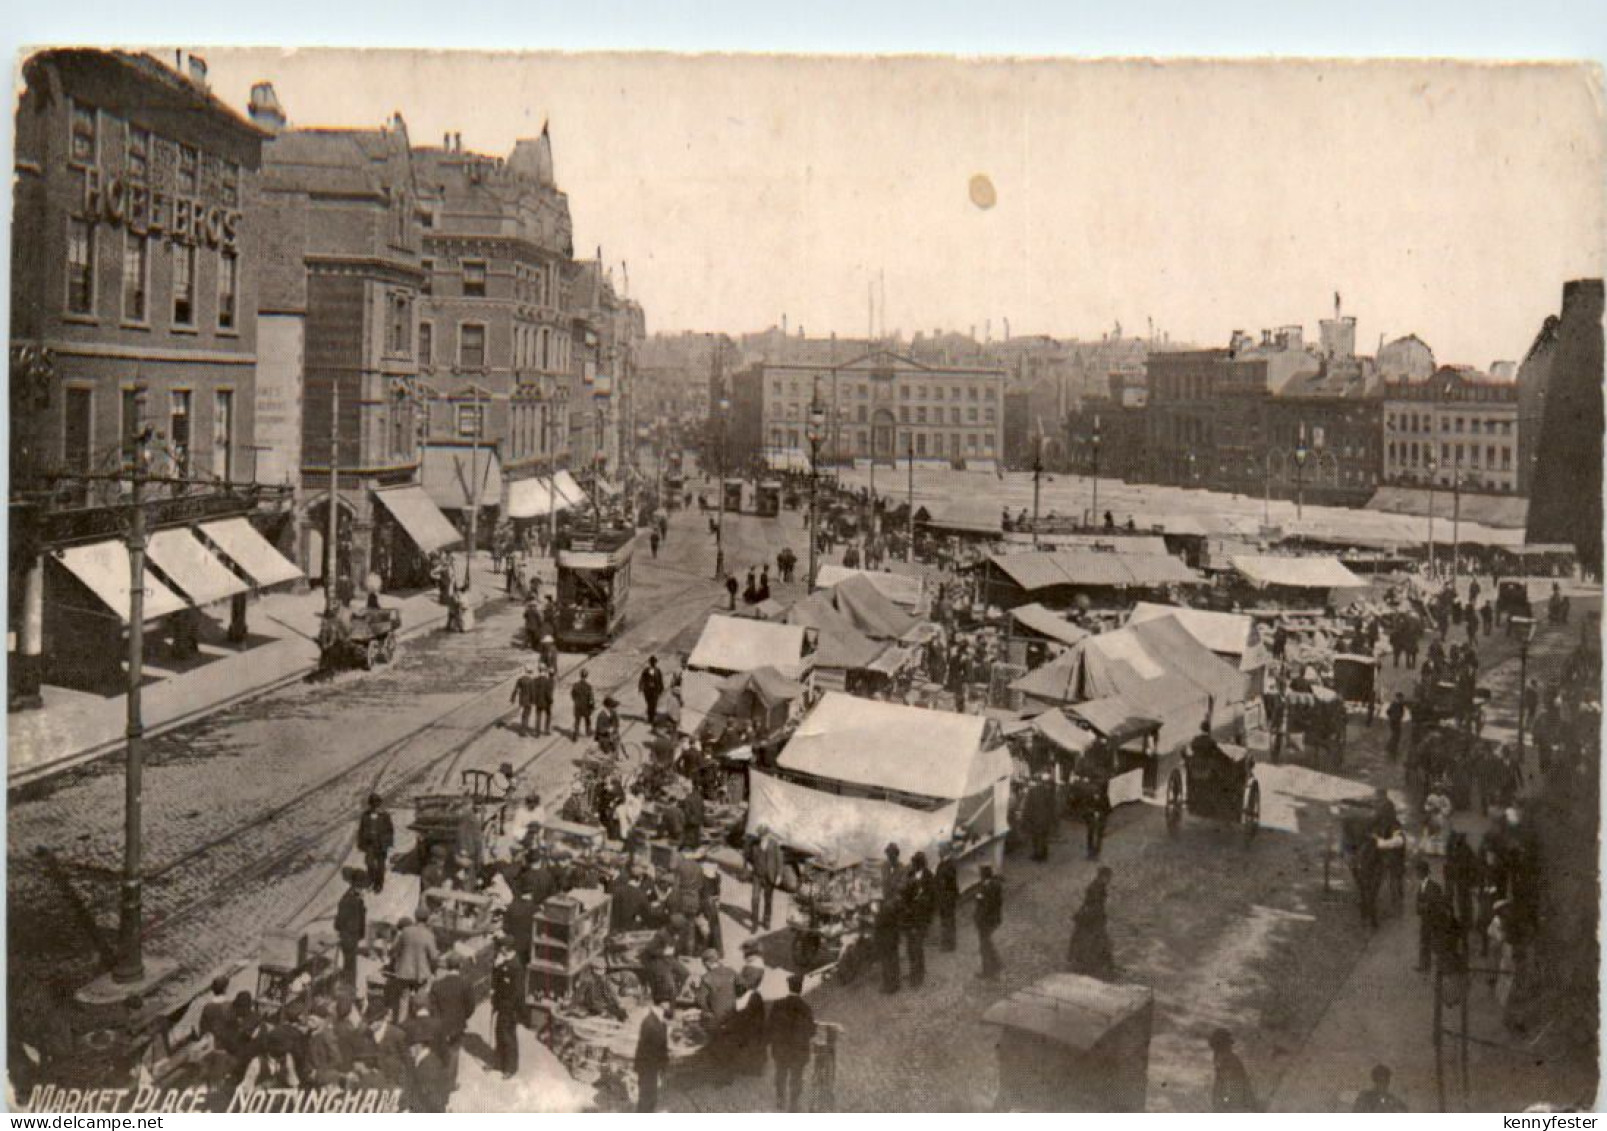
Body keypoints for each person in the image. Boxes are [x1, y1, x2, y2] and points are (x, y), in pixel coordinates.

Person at [766, 972, 815, 1111]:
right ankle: (794, 1104)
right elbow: (811, 1030)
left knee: (780, 1073)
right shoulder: (805, 1008)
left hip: (781, 1048)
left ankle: (780, 1100)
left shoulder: (778, 1005)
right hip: (798, 1050)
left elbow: (770, 1026)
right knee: (796, 1077)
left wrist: (772, 1041)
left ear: (788, 987)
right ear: (800, 988)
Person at [429, 952, 475, 1087]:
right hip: (457, 1025)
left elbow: (433, 1007)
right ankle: (450, 1083)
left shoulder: (437, 985)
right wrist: (463, 1017)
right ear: (460, 966)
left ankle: (438, 1080)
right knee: (454, 1052)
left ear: (447, 966)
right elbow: (470, 1006)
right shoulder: (465, 984)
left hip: (440, 1025)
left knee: (439, 1051)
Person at [489, 935, 526, 1079]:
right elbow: (497, 982)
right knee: (499, 1033)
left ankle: (510, 1067)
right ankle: (499, 1062)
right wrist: (497, 967)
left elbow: (517, 992)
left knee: (508, 1036)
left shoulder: (515, 966)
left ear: (505, 949)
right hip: (502, 1004)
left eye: (501, 948)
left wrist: (511, 1009)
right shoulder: (504, 962)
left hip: (510, 1008)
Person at [1415, 859, 1456, 974]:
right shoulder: (1422, 885)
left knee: (1434, 943)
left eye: (1418, 871)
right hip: (1426, 919)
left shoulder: (1433, 886)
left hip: (1433, 920)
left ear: (1423, 872)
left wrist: (1424, 906)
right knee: (1424, 942)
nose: (1416, 874)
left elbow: (1434, 904)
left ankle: (1438, 967)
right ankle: (1424, 965)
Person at [900, 851, 935, 988]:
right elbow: (905, 895)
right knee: (910, 947)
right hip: (910, 917)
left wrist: (926, 917)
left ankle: (917, 977)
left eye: (915, 862)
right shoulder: (911, 875)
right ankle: (914, 971)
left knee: (917, 947)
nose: (912, 865)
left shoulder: (928, 877)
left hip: (921, 918)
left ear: (920, 864)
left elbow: (932, 899)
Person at [1209, 1028, 1258, 1112]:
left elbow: (1234, 1090)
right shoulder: (1221, 1058)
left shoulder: (1229, 1061)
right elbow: (1220, 1083)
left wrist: (1224, 1101)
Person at [730, 967, 768, 1077]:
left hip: (750, 1030)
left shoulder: (753, 996)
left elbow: (746, 1014)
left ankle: (748, 1068)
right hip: (751, 1029)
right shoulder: (754, 995)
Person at [634, 1000, 670, 1112]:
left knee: (651, 1099)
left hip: (652, 1068)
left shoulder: (659, 1022)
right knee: (647, 1100)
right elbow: (646, 1049)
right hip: (648, 1068)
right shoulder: (650, 1023)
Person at [356, 794, 395, 894]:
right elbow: (361, 830)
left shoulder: (385, 816)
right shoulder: (365, 816)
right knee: (369, 863)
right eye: (372, 803)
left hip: (381, 844)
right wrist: (361, 843)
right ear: (370, 804)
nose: (374, 805)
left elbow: (390, 830)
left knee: (380, 865)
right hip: (370, 844)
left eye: (376, 803)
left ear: (379, 803)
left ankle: (379, 883)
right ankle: (371, 880)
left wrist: (387, 843)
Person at [745, 827, 783, 931]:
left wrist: (779, 875)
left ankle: (766, 921)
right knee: (755, 899)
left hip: (769, 876)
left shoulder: (774, 844)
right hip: (757, 875)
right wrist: (748, 865)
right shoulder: (754, 844)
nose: (762, 838)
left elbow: (779, 860)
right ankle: (755, 924)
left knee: (768, 900)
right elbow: (747, 856)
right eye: (760, 835)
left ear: (768, 835)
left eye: (764, 836)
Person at [335, 876, 367, 987]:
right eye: (362, 888)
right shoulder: (352, 901)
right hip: (350, 936)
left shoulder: (350, 899)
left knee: (349, 963)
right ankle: (348, 988)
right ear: (356, 888)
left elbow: (338, 923)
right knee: (350, 964)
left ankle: (348, 986)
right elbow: (341, 921)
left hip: (350, 935)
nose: (363, 891)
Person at [975, 864, 1004, 980]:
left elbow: (985, 906)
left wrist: (978, 919)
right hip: (994, 919)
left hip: (986, 921)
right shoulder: (995, 885)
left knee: (984, 945)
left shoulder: (986, 888)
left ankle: (988, 970)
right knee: (987, 943)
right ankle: (996, 964)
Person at [934, 845, 960, 952]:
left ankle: (951, 944)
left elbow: (952, 877)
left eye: (940, 850)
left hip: (949, 895)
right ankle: (946, 943)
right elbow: (936, 879)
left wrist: (943, 878)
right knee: (944, 920)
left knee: (949, 919)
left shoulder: (950, 863)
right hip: (942, 896)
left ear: (944, 851)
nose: (939, 853)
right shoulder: (940, 865)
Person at [511, 665, 543, 736]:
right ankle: (523, 730)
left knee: (523, 714)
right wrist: (534, 701)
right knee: (527, 714)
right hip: (528, 700)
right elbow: (532, 692)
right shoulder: (531, 681)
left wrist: (512, 698)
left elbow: (515, 689)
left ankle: (523, 728)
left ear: (525, 671)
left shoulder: (520, 679)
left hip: (522, 699)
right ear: (530, 672)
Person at [639, 656, 665, 724]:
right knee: (649, 703)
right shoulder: (646, 670)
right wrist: (640, 687)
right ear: (649, 662)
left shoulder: (658, 670)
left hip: (655, 690)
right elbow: (642, 679)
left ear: (656, 662)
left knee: (654, 703)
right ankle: (650, 717)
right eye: (652, 662)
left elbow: (660, 680)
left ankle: (652, 718)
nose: (653, 663)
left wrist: (662, 688)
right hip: (647, 690)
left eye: (654, 662)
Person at [571, 670, 595, 741]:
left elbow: (572, 695)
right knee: (587, 719)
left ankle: (575, 735)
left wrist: (576, 701)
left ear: (580, 675)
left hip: (577, 706)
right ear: (586, 676)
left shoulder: (575, 685)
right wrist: (592, 706)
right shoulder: (588, 686)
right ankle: (588, 732)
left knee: (577, 721)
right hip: (586, 706)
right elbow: (591, 698)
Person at [1385, 693, 1407, 760]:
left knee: (1396, 735)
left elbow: (1388, 712)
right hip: (1394, 721)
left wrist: (1394, 717)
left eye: (1402, 698)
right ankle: (1391, 749)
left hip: (1396, 721)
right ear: (1398, 698)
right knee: (1396, 735)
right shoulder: (1395, 704)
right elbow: (1388, 711)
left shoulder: (1400, 704)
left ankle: (1390, 748)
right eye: (1400, 698)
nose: (1402, 699)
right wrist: (1393, 717)